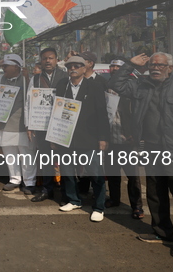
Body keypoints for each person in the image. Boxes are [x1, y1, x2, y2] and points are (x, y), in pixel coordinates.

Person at [109, 52, 173, 260]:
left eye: (160, 65)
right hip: (151, 149)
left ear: (170, 68)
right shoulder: (140, 86)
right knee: (155, 193)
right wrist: (130, 64)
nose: (155, 68)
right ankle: (162, 232)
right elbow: (116, 83)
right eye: (152, 65)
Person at [55, 55, 110, 222]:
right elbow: (56, 110)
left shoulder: (94, 86)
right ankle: (74, 200)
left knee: (95, 173)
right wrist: (54, 135)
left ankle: (99, 207)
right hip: (66, 137)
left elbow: (102, 113)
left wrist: (103, 137)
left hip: (89, 138)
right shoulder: (62, 85)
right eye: (70, 66)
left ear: (85, 68)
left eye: (77, 66)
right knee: (67, 171)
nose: (73, 69)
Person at [0, 54, 36, 195]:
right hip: (5, 124)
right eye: (4, 66)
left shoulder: (26, 80)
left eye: (7, 65)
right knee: (10, 154)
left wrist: (26, 77)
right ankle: (14, 179)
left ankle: (29, 182)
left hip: (22, 125)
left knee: (26, 154)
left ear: (17, 67)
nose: (4, 68)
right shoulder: (2, 79)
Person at [25, 48, 68, 202]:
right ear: (41, 61)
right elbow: (29, 103)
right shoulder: (35, 79)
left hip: (61, 126)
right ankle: (47, 190)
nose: (48, 61)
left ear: (57, 59)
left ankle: (65, 193)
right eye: (44, 58)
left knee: (64, 160)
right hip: (42, 125)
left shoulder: (65, 76)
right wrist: (29, 125)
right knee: (46, 159)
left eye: (50, 58)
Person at [104, 58, 144, 219]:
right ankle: (114, 199)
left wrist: (136, 134)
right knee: (113, 173)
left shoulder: (134, 86)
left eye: (118, 67)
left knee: (133, 175)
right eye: (112, 66)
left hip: (128, 138)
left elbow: (139, 114)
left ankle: (137, 206)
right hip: (110, 137)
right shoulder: (105, 86)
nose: (114, 69)